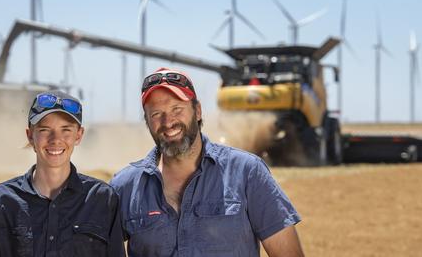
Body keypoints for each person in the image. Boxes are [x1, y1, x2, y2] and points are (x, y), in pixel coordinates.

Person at [110, 68, 304, 257]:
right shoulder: (124, 187)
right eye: (156, 114)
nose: (168, 122)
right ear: (147, 122)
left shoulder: (246, 172)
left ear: (198, 111)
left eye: (177, 109)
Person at [0, 90, 125, 257]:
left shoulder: (102, 199)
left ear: (78, 135)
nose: (56, 139)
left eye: (66, 129)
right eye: (44, 129)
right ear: (30, 136)